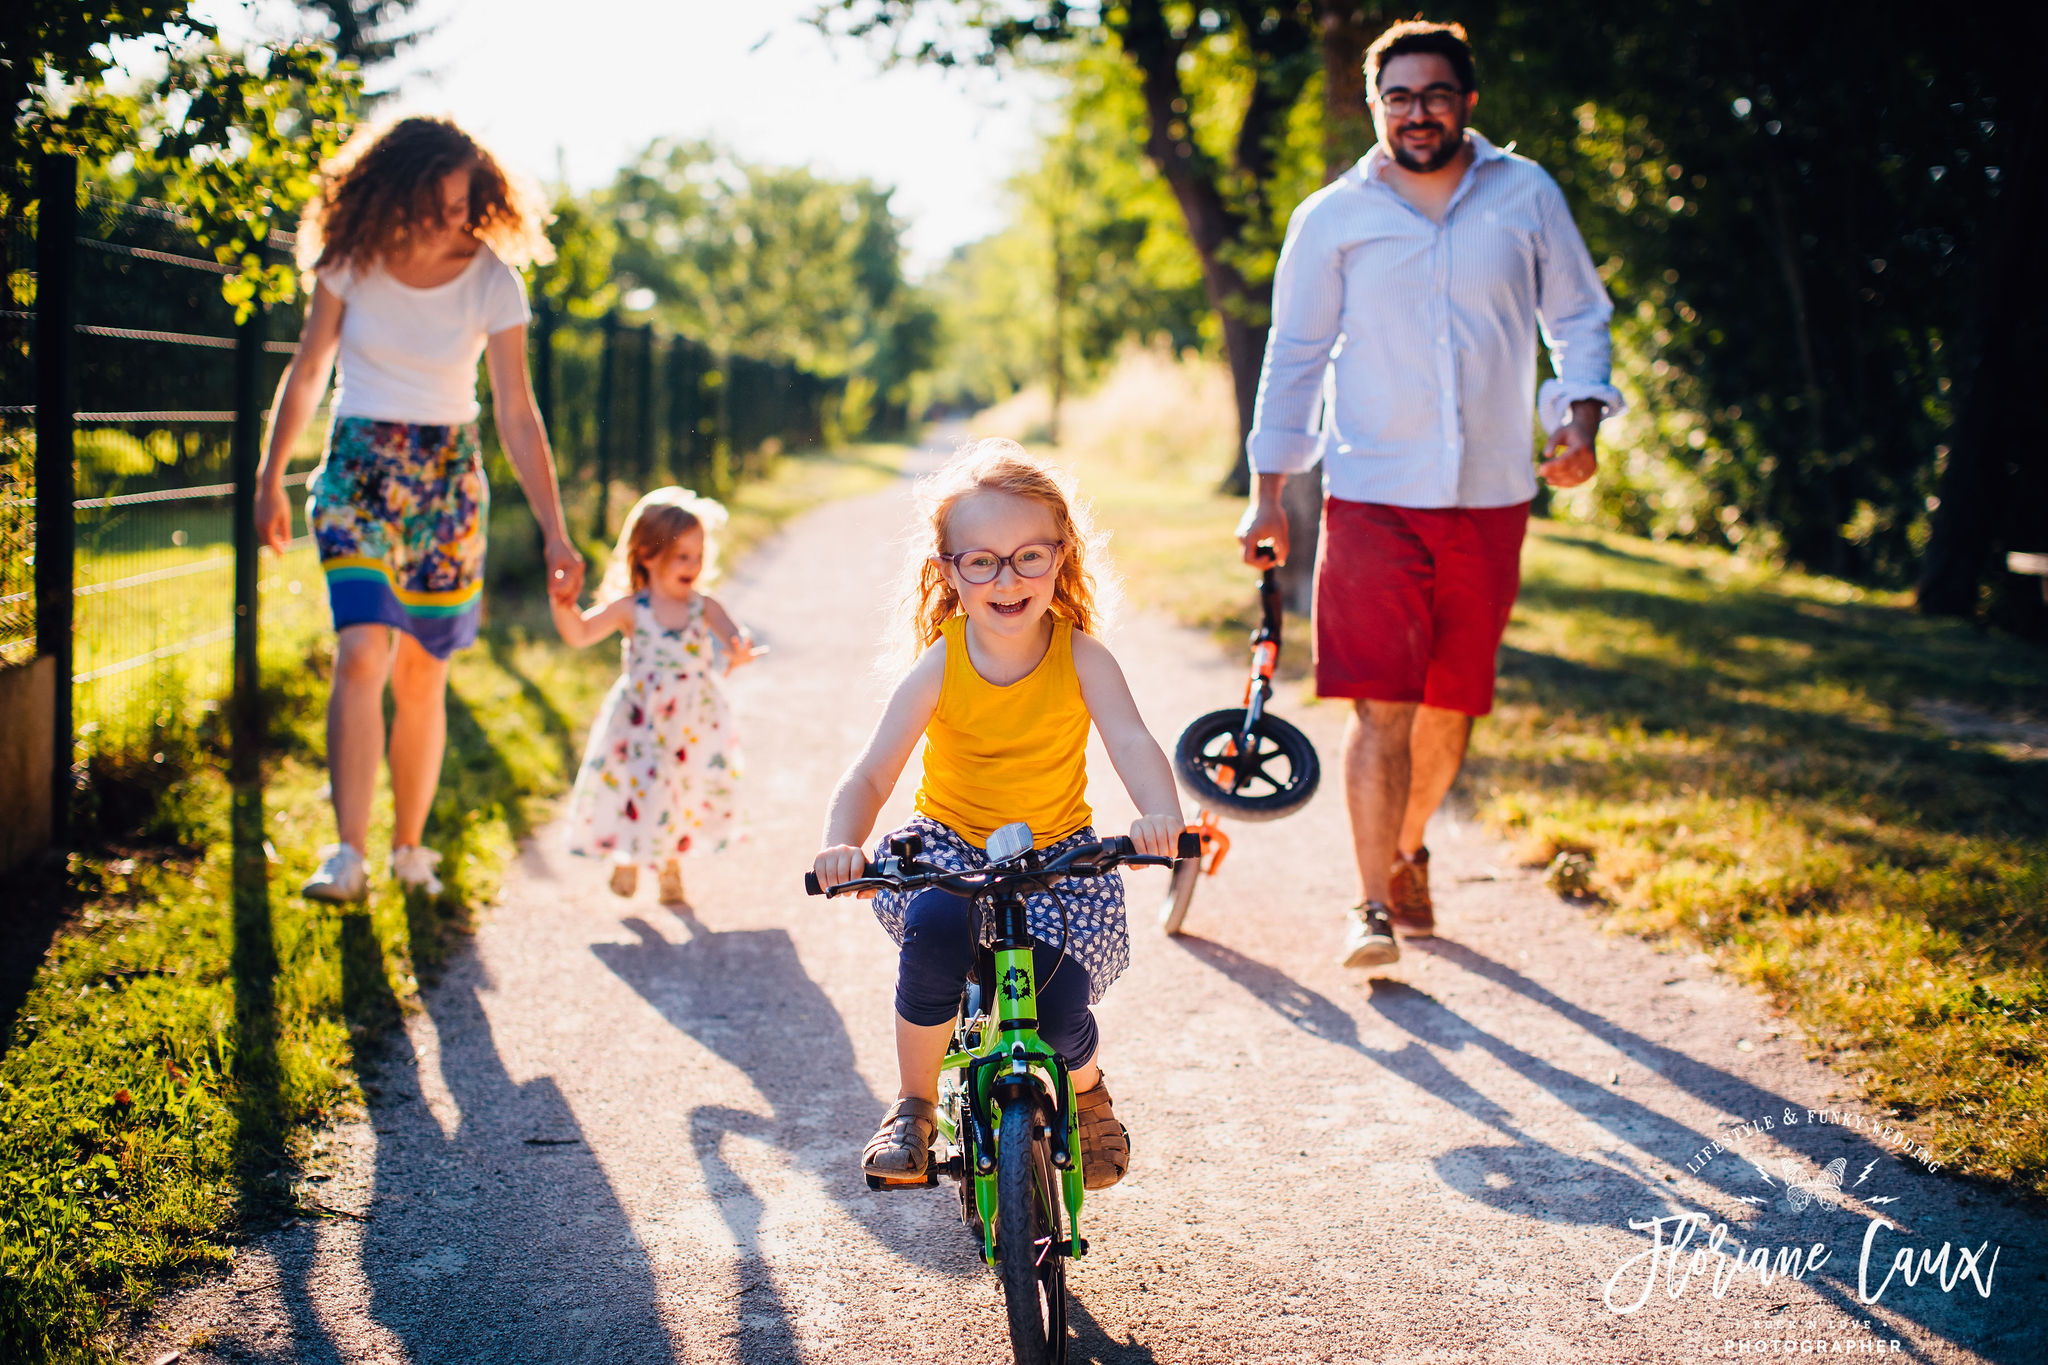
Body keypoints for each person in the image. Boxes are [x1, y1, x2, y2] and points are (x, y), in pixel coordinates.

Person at [1234, 20, 1624, 968]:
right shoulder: (1331, 217)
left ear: (1468, 103)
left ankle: (1407, 851)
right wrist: (1268, 492)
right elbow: (1294, 357)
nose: (1418, 112)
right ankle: (1370, 904)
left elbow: (1576, 315)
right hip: (1371, 493)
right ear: (1375, 107)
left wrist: (1580, 419)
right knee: (1382, 706)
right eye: (1399, 96)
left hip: (1492, 493)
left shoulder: (1525, 195)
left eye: (1436, 94)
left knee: (1451, 708)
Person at [812, 439, 1183, 1190]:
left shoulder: (1082, 657)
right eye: (981, 560)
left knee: (1057, 1006)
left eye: (1027, 557)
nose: (1006, 578)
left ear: (1061, 557)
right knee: (936, 941)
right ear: (948, 572)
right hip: (950, 845)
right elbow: (874, 768)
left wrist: (1160, 812)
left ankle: (1086, 1096)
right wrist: (841, 842)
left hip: (1055, 856)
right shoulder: (941, 663)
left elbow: (1134, 742)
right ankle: (915, 1107)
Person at [256, 115, 583, 903]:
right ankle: (347, 854)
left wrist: (555, 529)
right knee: (363, 649)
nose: (449, 218)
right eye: (435, 201)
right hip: (358, 472)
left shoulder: (492, 281)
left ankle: (408, 848)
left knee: (423, 672)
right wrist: (270, 476)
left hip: (446, 480)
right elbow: (306, 375)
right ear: (396, 188)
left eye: (462, 203)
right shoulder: (350, 263)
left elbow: (515, 411)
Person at [552, 487, 759, 905]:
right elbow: (580, 633)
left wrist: (739, 652)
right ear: (647, 555)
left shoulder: (705, 608)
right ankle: (627, 857)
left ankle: (670, 868)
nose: (693, 566)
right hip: (641, 721)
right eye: (682, 556)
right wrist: (562, 604)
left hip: (692, 723)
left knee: (680, 790)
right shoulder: (632, 608)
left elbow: (736, 639)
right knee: (638, 788)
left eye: (698, 556)